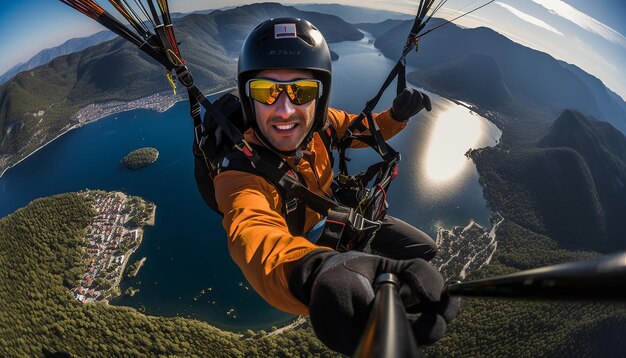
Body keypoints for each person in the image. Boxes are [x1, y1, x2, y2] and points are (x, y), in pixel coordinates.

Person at [214, 17, 459, 355]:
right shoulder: (240, 175)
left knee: (424, 250)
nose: (284, 110)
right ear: (247, 98)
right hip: (308, 241)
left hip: (338, 214)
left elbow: (366, 129)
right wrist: (316, 271)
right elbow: (254, 235)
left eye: (302, 91)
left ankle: (370, 272)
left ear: (320, 98)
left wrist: (397, 116)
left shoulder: (323, 125)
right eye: (265, 91)